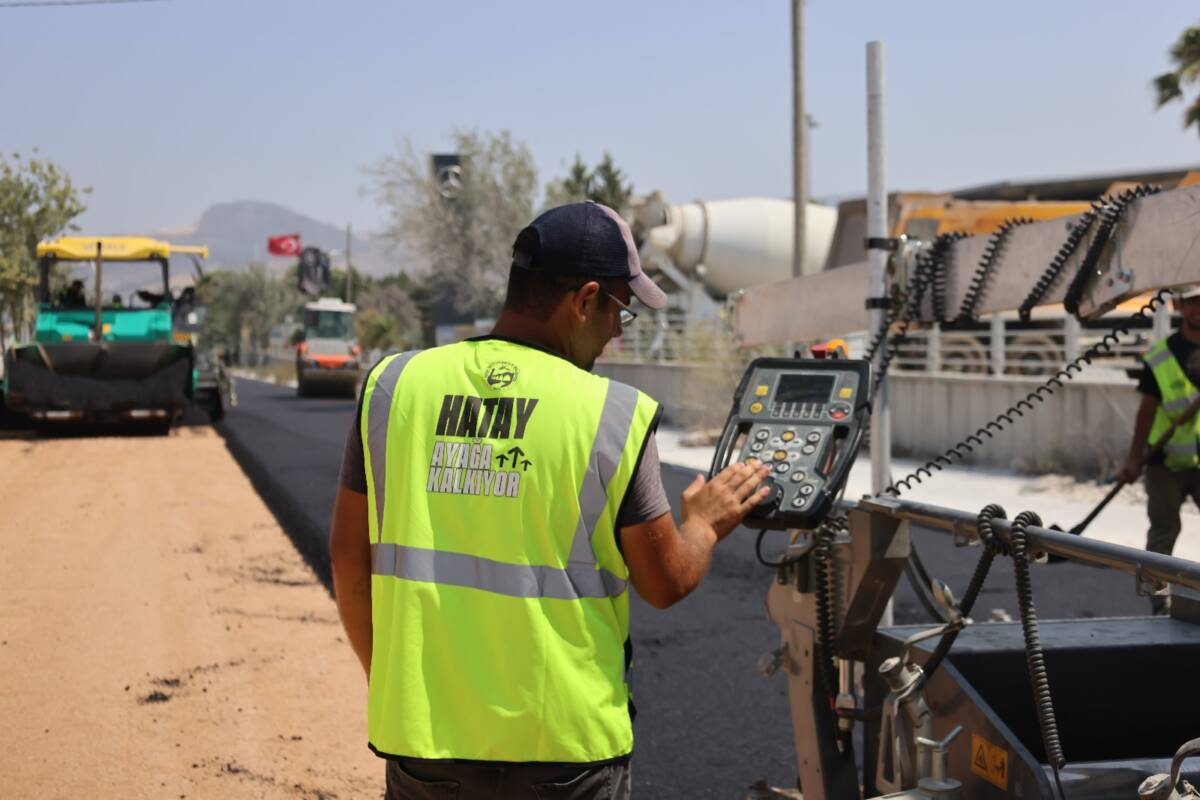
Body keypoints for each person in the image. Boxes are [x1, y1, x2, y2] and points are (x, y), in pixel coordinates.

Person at [330, 201, 771, 799]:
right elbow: (667, 580)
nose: (619, 328)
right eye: (621, 308)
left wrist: (393, 685)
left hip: (424, 750)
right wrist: (705, 523)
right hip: (564, 756)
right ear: (584, 299)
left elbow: (348, 558)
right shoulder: (611, 416)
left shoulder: (393, 387)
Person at [1119, 285, 1200, 612]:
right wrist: (1134, 457)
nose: (1199, 309)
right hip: (1164, 461)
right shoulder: (1162, 355)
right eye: (1193, 303)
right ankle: (1158, 607)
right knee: (1163, 533)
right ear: (1180, 307)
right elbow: (1147, 409)